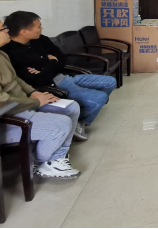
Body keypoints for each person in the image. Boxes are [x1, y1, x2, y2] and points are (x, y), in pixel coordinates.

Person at [3, 11, 117, 140]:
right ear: (24, 31)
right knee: (100, 98)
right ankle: (76, 122)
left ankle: (80, 120)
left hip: (65, 75)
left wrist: (45, 67)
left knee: (110, 82)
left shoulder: (40, 39)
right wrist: (51, 61)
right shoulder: (9, 53)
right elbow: (35, 79)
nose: (41, 28)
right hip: (54, 84)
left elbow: (62, 58)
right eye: (38, 26)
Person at [0, 19, 81, 179]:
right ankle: (43, 161)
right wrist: (37, 102)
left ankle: (54, 160)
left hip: (24, 103)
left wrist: (33, 92)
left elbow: (16, 80)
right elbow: (3, 101)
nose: (7, 31)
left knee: (71, 107)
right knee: (62, 124)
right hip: (9, 117)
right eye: (3, 28)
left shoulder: (2, 54)